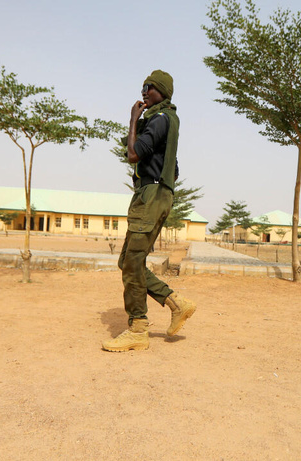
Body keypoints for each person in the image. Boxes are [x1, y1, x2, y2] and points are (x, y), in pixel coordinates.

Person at [102, 70, 196, 352]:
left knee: (131, 263)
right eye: (143, 86)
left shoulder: (159, 119)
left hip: (150, 195)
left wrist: (133, 120)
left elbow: (133, 154)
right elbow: (174, 168)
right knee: (128, 262)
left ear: (163, 91)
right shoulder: (168, 120)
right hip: (157, 194)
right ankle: (177, 303)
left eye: (150, 87)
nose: (144, 91)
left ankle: (138, 328)